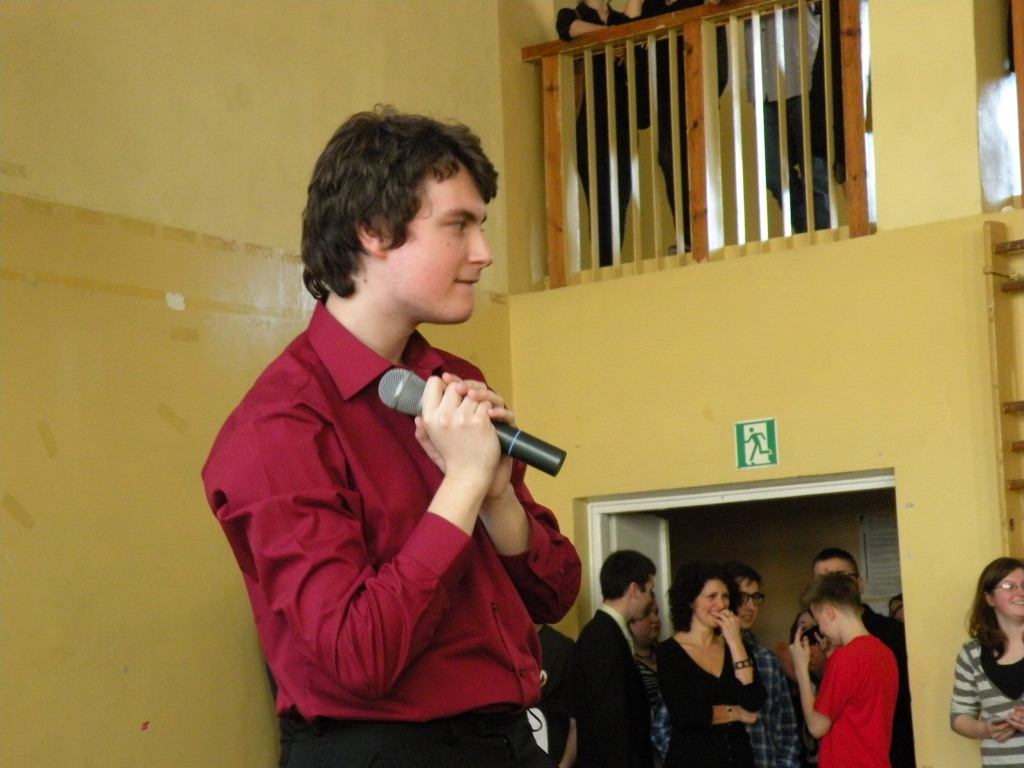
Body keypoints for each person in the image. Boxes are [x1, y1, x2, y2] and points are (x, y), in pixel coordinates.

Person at [202, 106, 582, 768]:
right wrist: (463, 483)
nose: (484, 253)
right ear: (374, 230)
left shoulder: (453, 381)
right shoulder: (280, 425)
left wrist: (497, 497)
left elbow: (554, 594)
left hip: (509, 739)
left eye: (481, 226)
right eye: (458, 225)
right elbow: (359, 656)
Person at [654, 560, 766, 767]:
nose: (721, 604)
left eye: (725, 596)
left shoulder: (737, 647)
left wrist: (734, 641)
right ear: (691, 601)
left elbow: (753, 701)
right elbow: (685, 715)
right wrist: (736, 713)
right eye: (711, 596)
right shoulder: (669, 652)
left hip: (739, 759)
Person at [812, 547, 916, 768]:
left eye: (841, 579)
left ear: (859, 584)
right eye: (823, 581)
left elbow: (902, 703)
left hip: (888, 751)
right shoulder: (814, 636)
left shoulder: (892, 634)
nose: (831, 588)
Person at [556, 0, 642, 267]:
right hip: (590, 118)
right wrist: (611, 36)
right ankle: (605, 264)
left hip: (622, 117)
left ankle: (612, 261)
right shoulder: (573, 13)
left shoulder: (619, 18)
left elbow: (636, 36)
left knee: (622, 192)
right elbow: (567, 27)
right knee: (599, 193)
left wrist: (622, 37)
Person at [790, 573, 898, 768]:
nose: (821, 630)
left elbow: (816, 727)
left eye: (819, 621)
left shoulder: (845, 658)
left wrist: (801, 669)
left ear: (830, 612)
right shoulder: (885, 652)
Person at [744, 4, 831, 234]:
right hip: (763, 81)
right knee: (773, 172)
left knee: (814, 169)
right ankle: (807, 231)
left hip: (801, 71)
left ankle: (822, 237)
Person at [573, 549, 658, 768]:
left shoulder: (610, 632)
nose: (651, 599)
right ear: (633, 589)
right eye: (650, 590)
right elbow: (610, 723)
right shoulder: (601, 637)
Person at [722, 561, 801, 768]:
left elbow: (787, 730)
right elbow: (665, 728)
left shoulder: (767, 660)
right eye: (742, 597)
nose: (751, 607)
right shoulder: (702, 656)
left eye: (756, 597)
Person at [949, 556, 1024, 765]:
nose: (1020, 592)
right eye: (1009, 586)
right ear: (989, 598)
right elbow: (959, 716)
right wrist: (984, 729)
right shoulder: (972, 653)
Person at [537, 624, 579, 768]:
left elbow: (576, 719)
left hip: (553, 758)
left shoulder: (562, 649)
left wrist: (564, 764)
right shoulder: (497, 645)